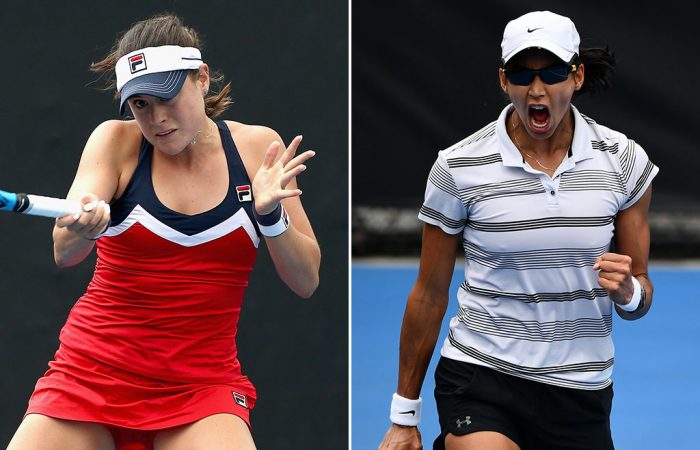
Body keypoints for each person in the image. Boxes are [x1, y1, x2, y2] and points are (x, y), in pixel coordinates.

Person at [8, 13, 320, 450]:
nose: (157, 119)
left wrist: (270, 217)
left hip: (202, 388)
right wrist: (84, 228)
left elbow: (306, 280)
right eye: (141, 105)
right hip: (89, 372)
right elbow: (65, 251)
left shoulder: (256, 149)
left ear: (202, 78)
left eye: (167, 98)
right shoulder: (114, 142)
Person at [379, 10, 657, 450]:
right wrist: (403, 415)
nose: (537, 89)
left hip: (580, 389)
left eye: (551, 72)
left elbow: (639, 293)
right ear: (503, 81)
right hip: (481, 373)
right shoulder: (457, 166)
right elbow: (430, 292)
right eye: (522, 75)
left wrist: (628, 293)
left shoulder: (623, 160)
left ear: (578, 76)